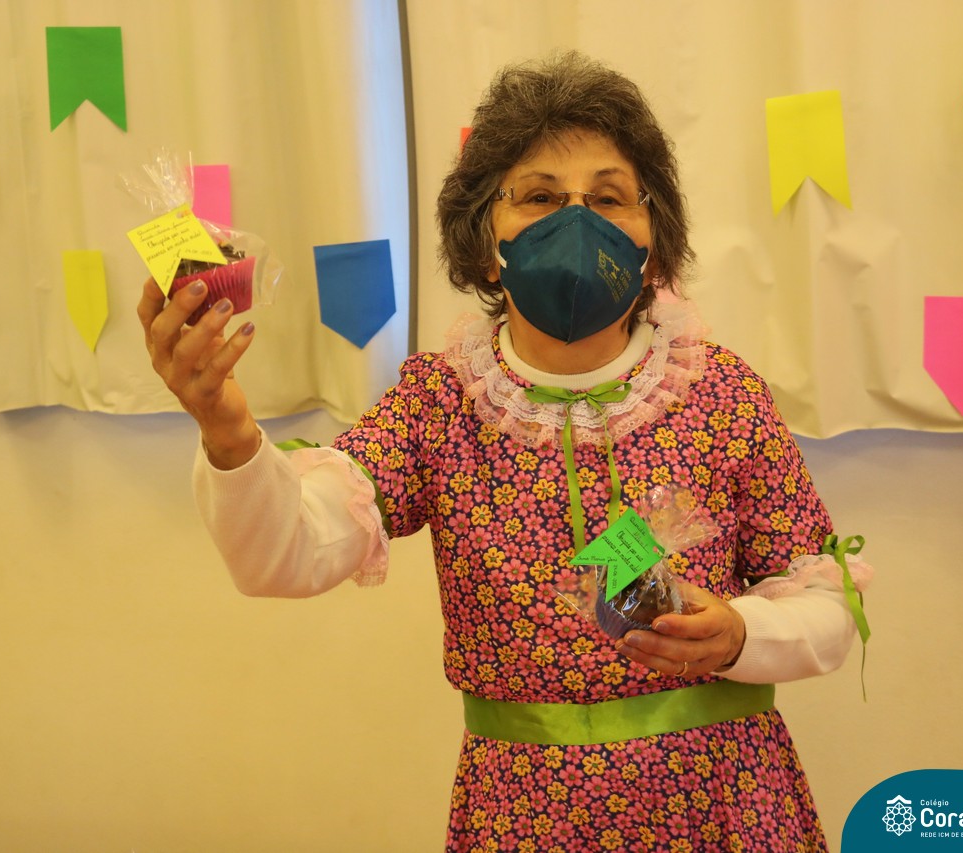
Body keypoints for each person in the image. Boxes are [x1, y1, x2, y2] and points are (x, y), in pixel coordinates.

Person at [139, 51, 871, 853]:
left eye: (608, 197)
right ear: (487, 243)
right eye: (540, 197)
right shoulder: (439, 403)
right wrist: (230, 434)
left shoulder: (722, 394)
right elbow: (287, 555)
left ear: (654, 244)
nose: (576, 222)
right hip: (524, 821)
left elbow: (830, 606)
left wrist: (742, 634)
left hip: (727, 810)